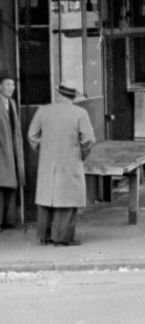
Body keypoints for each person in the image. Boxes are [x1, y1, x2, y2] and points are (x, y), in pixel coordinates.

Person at [27, 83, 95, 246]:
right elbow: (88, 140)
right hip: (70, 160)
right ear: (73, 97)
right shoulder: (80, 113)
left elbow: (32, 135)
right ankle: (62, 237)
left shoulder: (43, 111)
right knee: (67, 198)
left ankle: (45, 236)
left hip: (47, 161)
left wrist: (44, 150)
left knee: (48, 197)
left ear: (58, 95)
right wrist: (81, 155)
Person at [0, 74, 25, 230]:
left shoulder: (12, 103)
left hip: (12, 149)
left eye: (13, 85)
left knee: (11, 184)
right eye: (8, 85)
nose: (11, 88)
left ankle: (9, 220)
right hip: (2, 149)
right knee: (1, 185)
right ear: (0, 87)